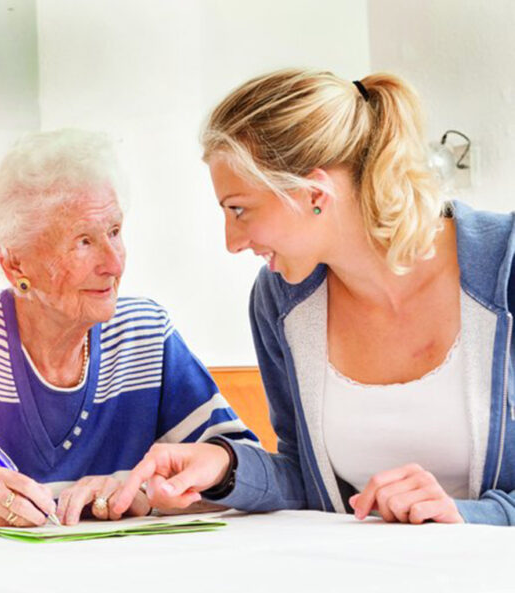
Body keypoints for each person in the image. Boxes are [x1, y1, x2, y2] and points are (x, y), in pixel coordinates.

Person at [113, 69, 515, 526]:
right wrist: (225, 468)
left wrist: (471, 516)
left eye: (239, 209)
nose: (232, 240)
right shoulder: (281, 303)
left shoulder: (506, 267)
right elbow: (307, 476)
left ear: (313, 194)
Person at [0, 128, 259, 529]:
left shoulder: (146, 335)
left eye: (114, 231)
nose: (113, 263)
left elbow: (248, 473)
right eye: (83, 241)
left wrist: (144, 493)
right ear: (15, 263)